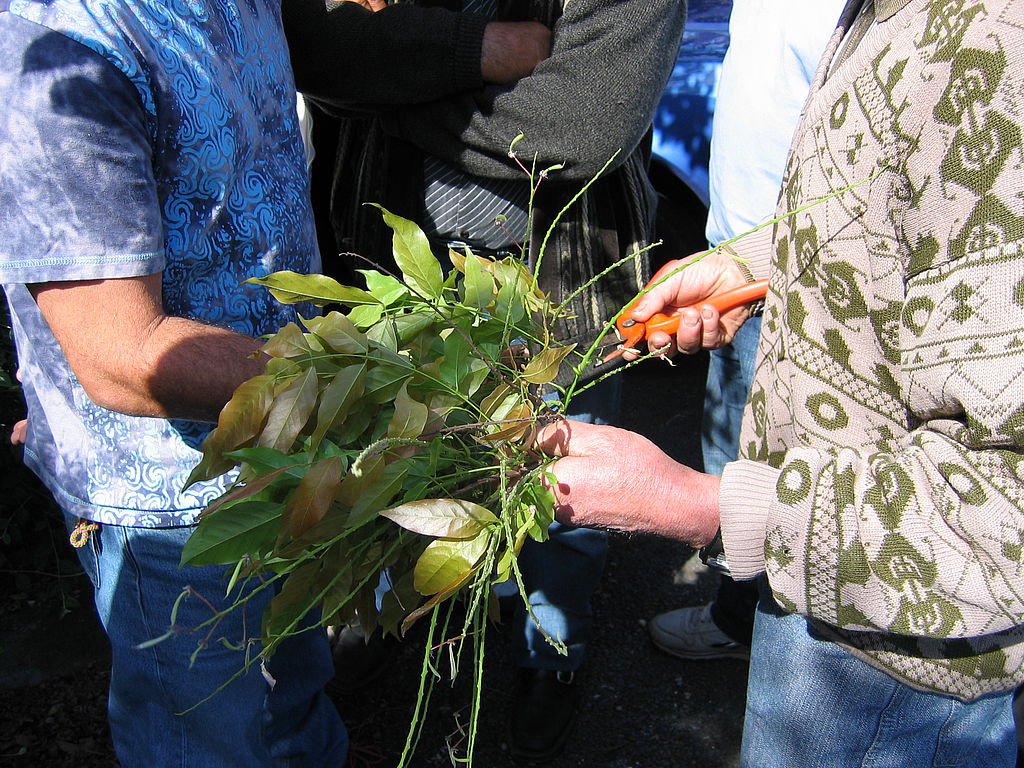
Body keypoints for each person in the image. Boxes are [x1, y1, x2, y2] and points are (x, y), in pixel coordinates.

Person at [535, 1, 1023, 766]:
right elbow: (901, 214)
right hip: (819, 577)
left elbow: (1003, 513)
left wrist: (699, 505)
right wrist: (758, 266)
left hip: (895, 663)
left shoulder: (995, 54)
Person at [283, 0, 685, 760]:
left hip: (566, 294)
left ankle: (547, 650)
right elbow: (317, 50)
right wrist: (479, 49)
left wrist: (393, 93)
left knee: (565, 487)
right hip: (390, 281)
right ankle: (392, 615)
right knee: (389, 465)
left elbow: (581, 127)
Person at [0, 2, 347, 766]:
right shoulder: (63, 46)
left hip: (288, 439)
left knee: (294, 701)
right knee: (204, 741)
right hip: (172, 491)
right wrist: (362, 377)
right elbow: (122, 353)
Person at [648, 0, 848, 661]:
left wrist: (673, 502)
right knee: (729, 445)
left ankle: (768, 633)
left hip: (809, 290)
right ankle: (739, 615)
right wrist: (735, 257)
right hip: (742, 254)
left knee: (788, 476)